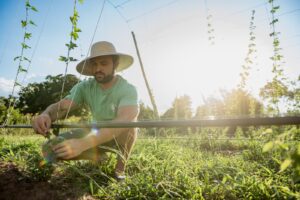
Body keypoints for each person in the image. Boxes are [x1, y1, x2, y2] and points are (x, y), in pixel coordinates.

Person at [32, 41, 139, 179]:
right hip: (95, 132)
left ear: (115, 64)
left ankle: (120, 169)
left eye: (104, 63)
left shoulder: (128, 89)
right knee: (49, 148)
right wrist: (46, 115)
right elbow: (62, 107)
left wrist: (83, 144)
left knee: (130, 126)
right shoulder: (84, 87)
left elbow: (121, 123)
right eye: (95, 64)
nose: (98, 68)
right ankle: (99, 156)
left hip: (118, 136)